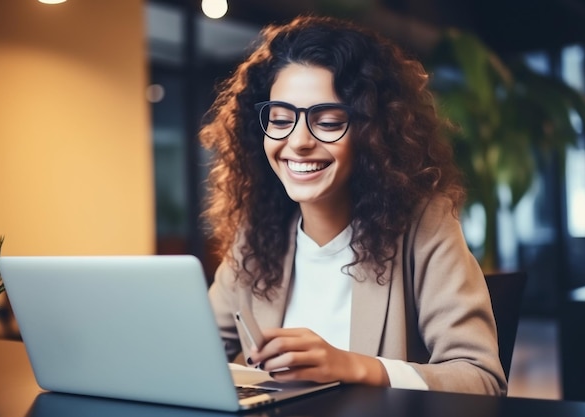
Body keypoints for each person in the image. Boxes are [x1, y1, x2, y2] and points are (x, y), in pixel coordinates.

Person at [199, 14, 507, 396]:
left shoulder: (424, 225)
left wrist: (351, 366)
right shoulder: (257, 235)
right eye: (280, 119)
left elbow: (481, 379)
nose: (298, 142)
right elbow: (197, 352)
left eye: (327, 122)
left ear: (372, 133)